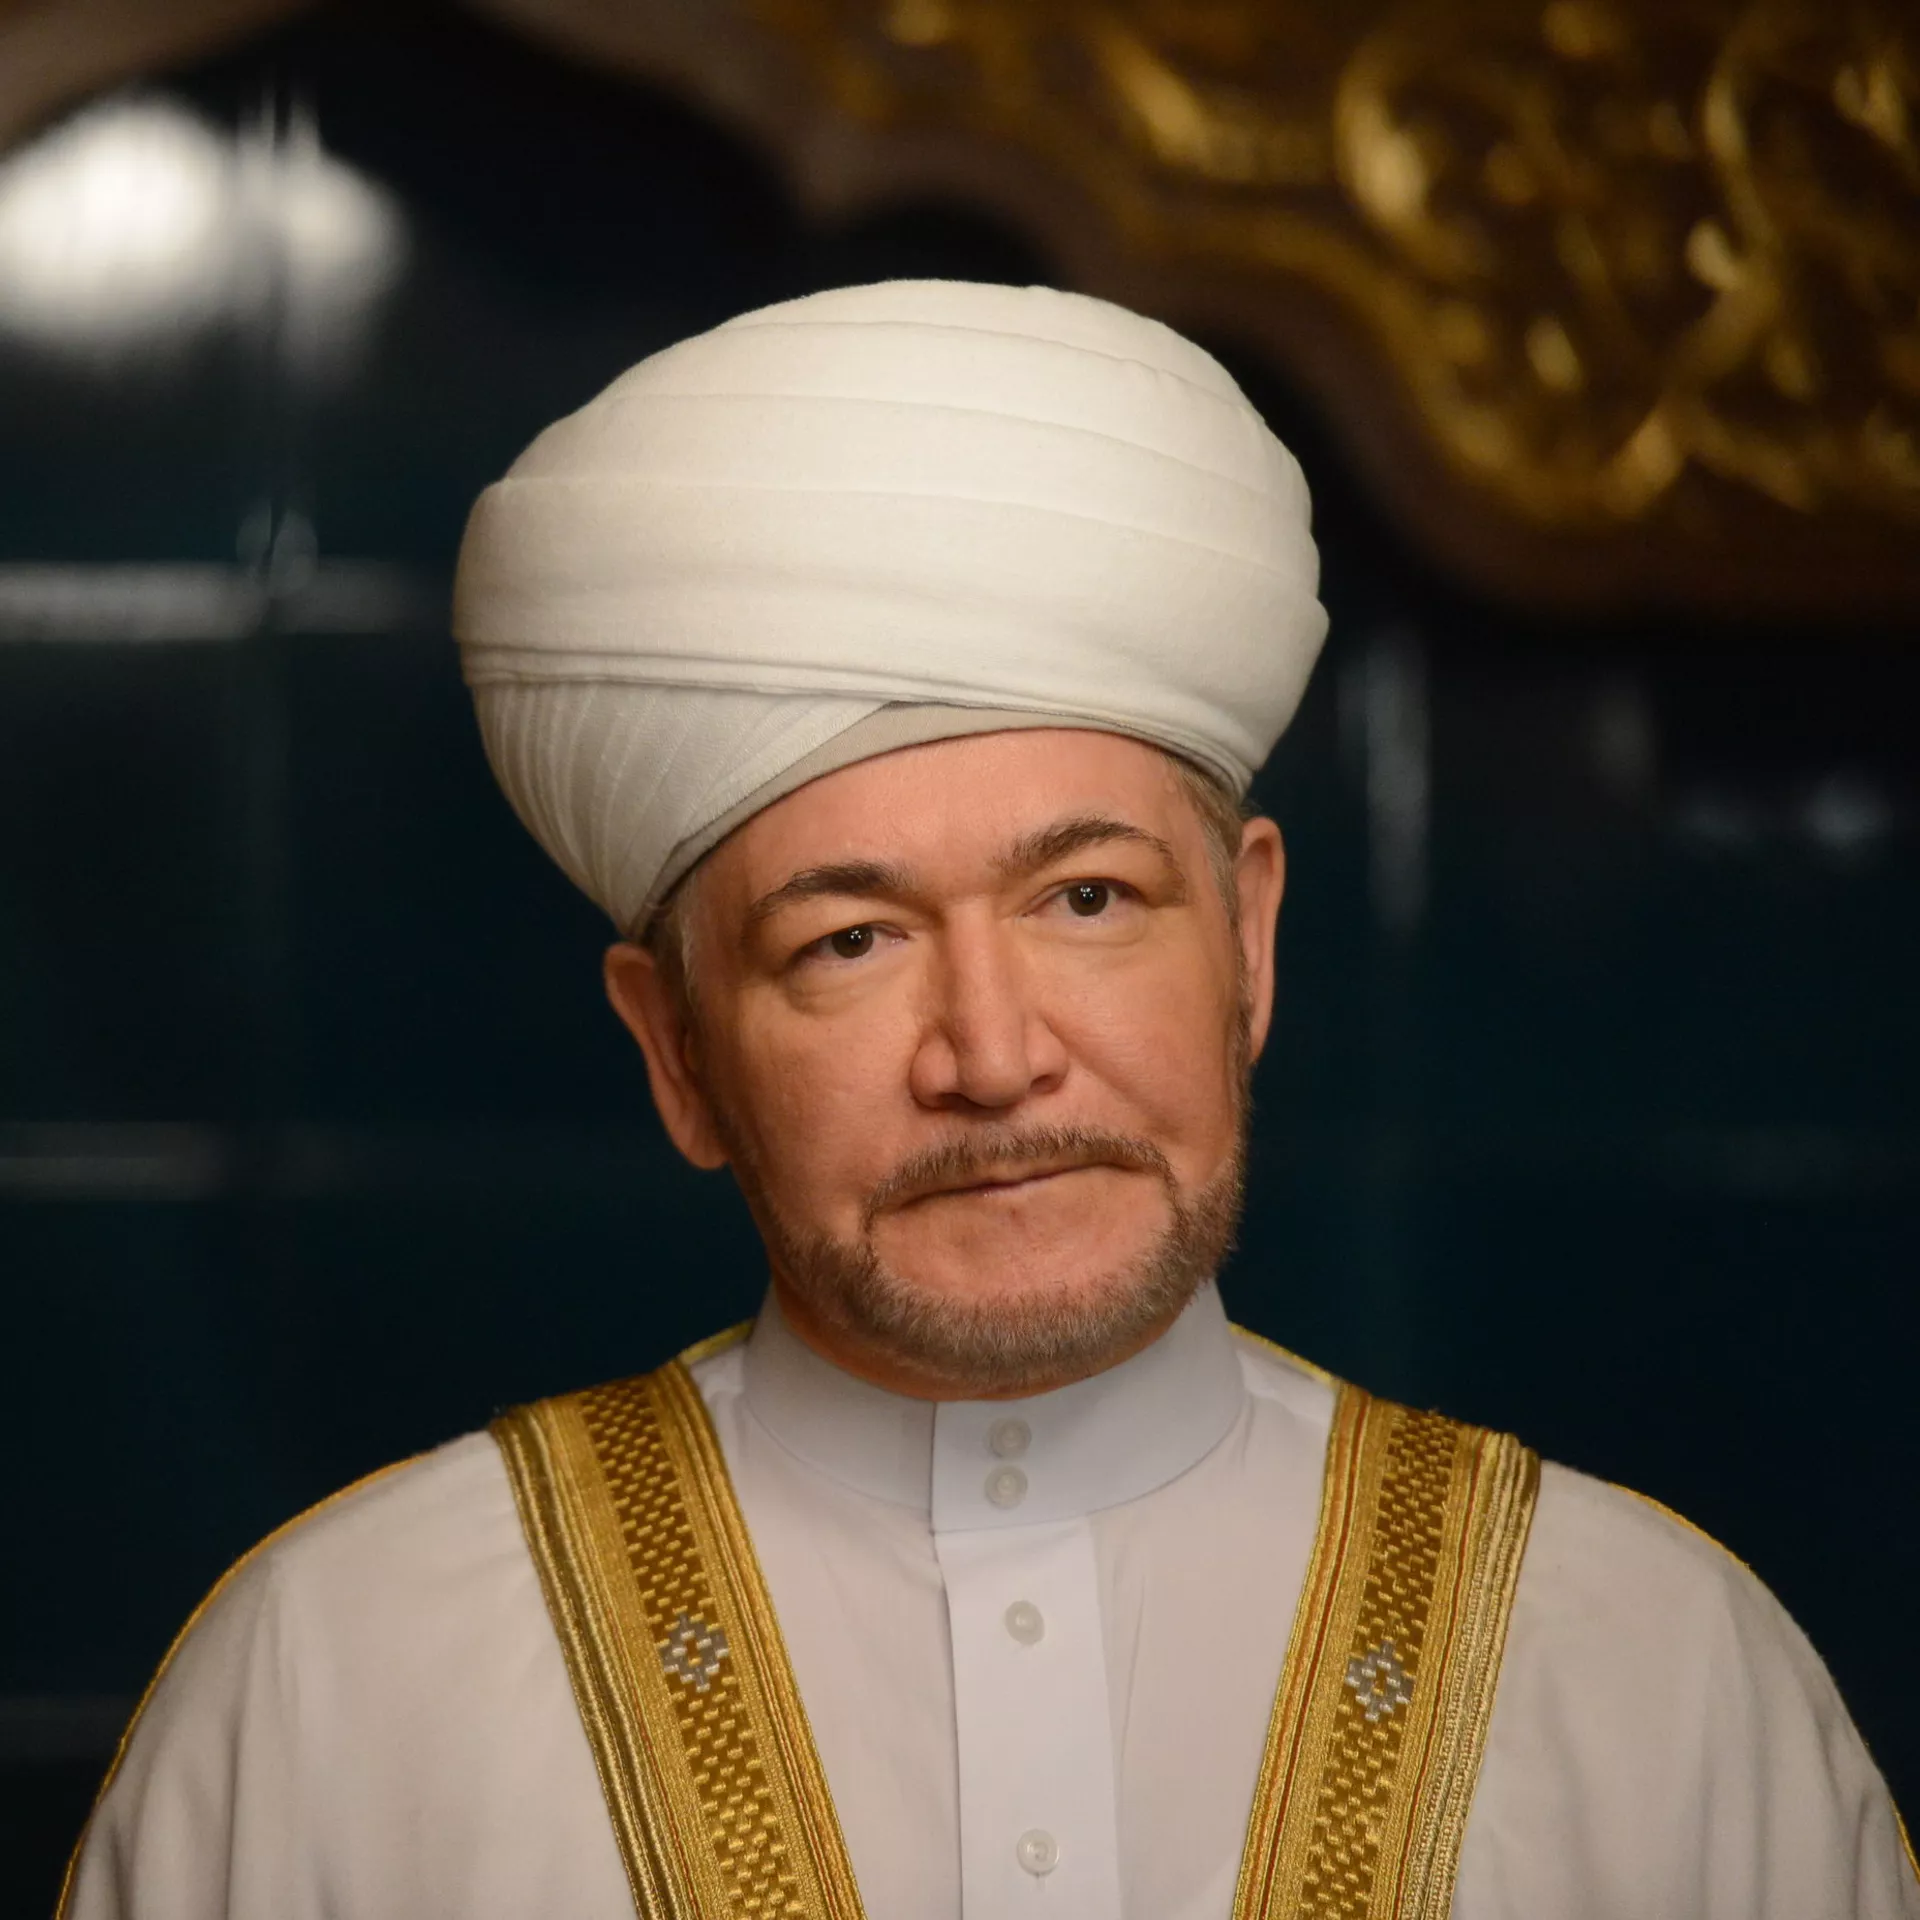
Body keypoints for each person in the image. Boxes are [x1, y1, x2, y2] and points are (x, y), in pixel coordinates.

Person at [62, 280, 1916, 1920]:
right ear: (679, 1052)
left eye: (1087, 901)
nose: (993, 1053)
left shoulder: (1664, 1678)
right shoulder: (335, 1689)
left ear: (1250, 944)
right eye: (850, 941)